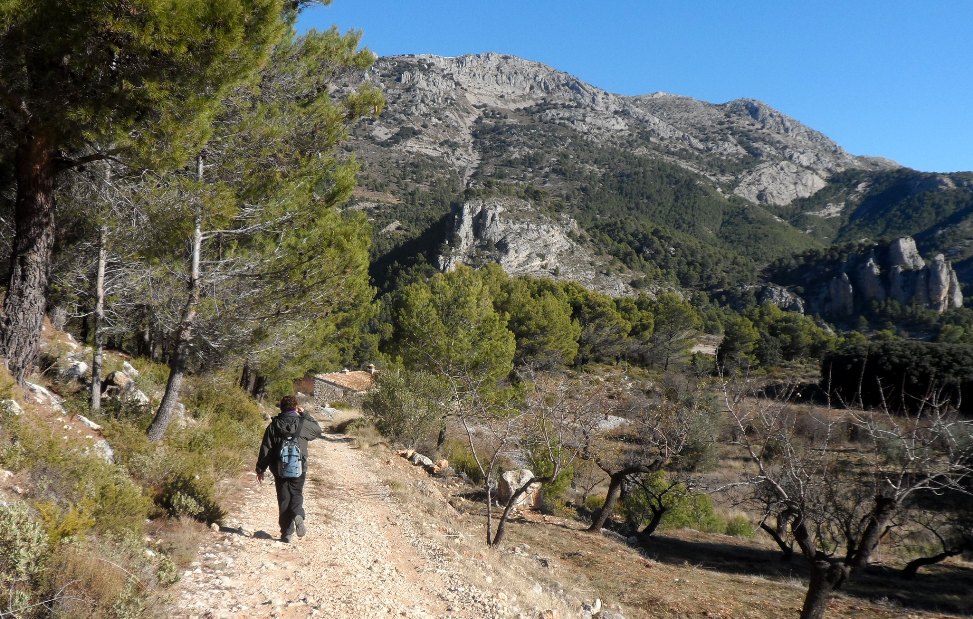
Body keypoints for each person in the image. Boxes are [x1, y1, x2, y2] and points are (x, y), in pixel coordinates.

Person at [255, 395, 323, 542]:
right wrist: (305, 414)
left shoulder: (273, 426)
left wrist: (260, 469)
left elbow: (266, 449)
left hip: (279, 469)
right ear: (295, 406)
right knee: (296, 494)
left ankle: (287, 533)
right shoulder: (303, 423)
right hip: (299, 466)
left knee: (284, 498)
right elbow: (318, 430)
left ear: (281, 407)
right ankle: (298, 514)